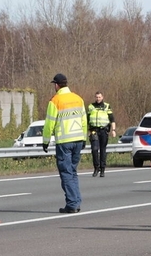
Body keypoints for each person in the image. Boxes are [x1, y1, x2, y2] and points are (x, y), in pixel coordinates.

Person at [43, 73, 87, 213]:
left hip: (64, 142)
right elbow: (84, 120)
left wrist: (45, 141)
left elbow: (49, 123)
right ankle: (76, 202)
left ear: (56, 85)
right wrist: (84, 138)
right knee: (73, 172)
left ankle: (72, 204)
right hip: (78, 140)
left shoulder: (55, 101)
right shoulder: (78, 99)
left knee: (66, 173)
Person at [86, 92, 115, 177]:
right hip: (94, 131)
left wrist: (113, 130)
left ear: (102, 97)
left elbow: (112, 119)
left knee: (103, 150)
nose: (98, 98)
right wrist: (88, 130)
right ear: (95, 98)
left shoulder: (106, 106)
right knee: (94, 149)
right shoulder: (91, 106)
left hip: (103, 131)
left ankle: (102, 169)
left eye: (99, 97)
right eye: (97, 97)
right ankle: (96, 167)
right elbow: (87, 119)